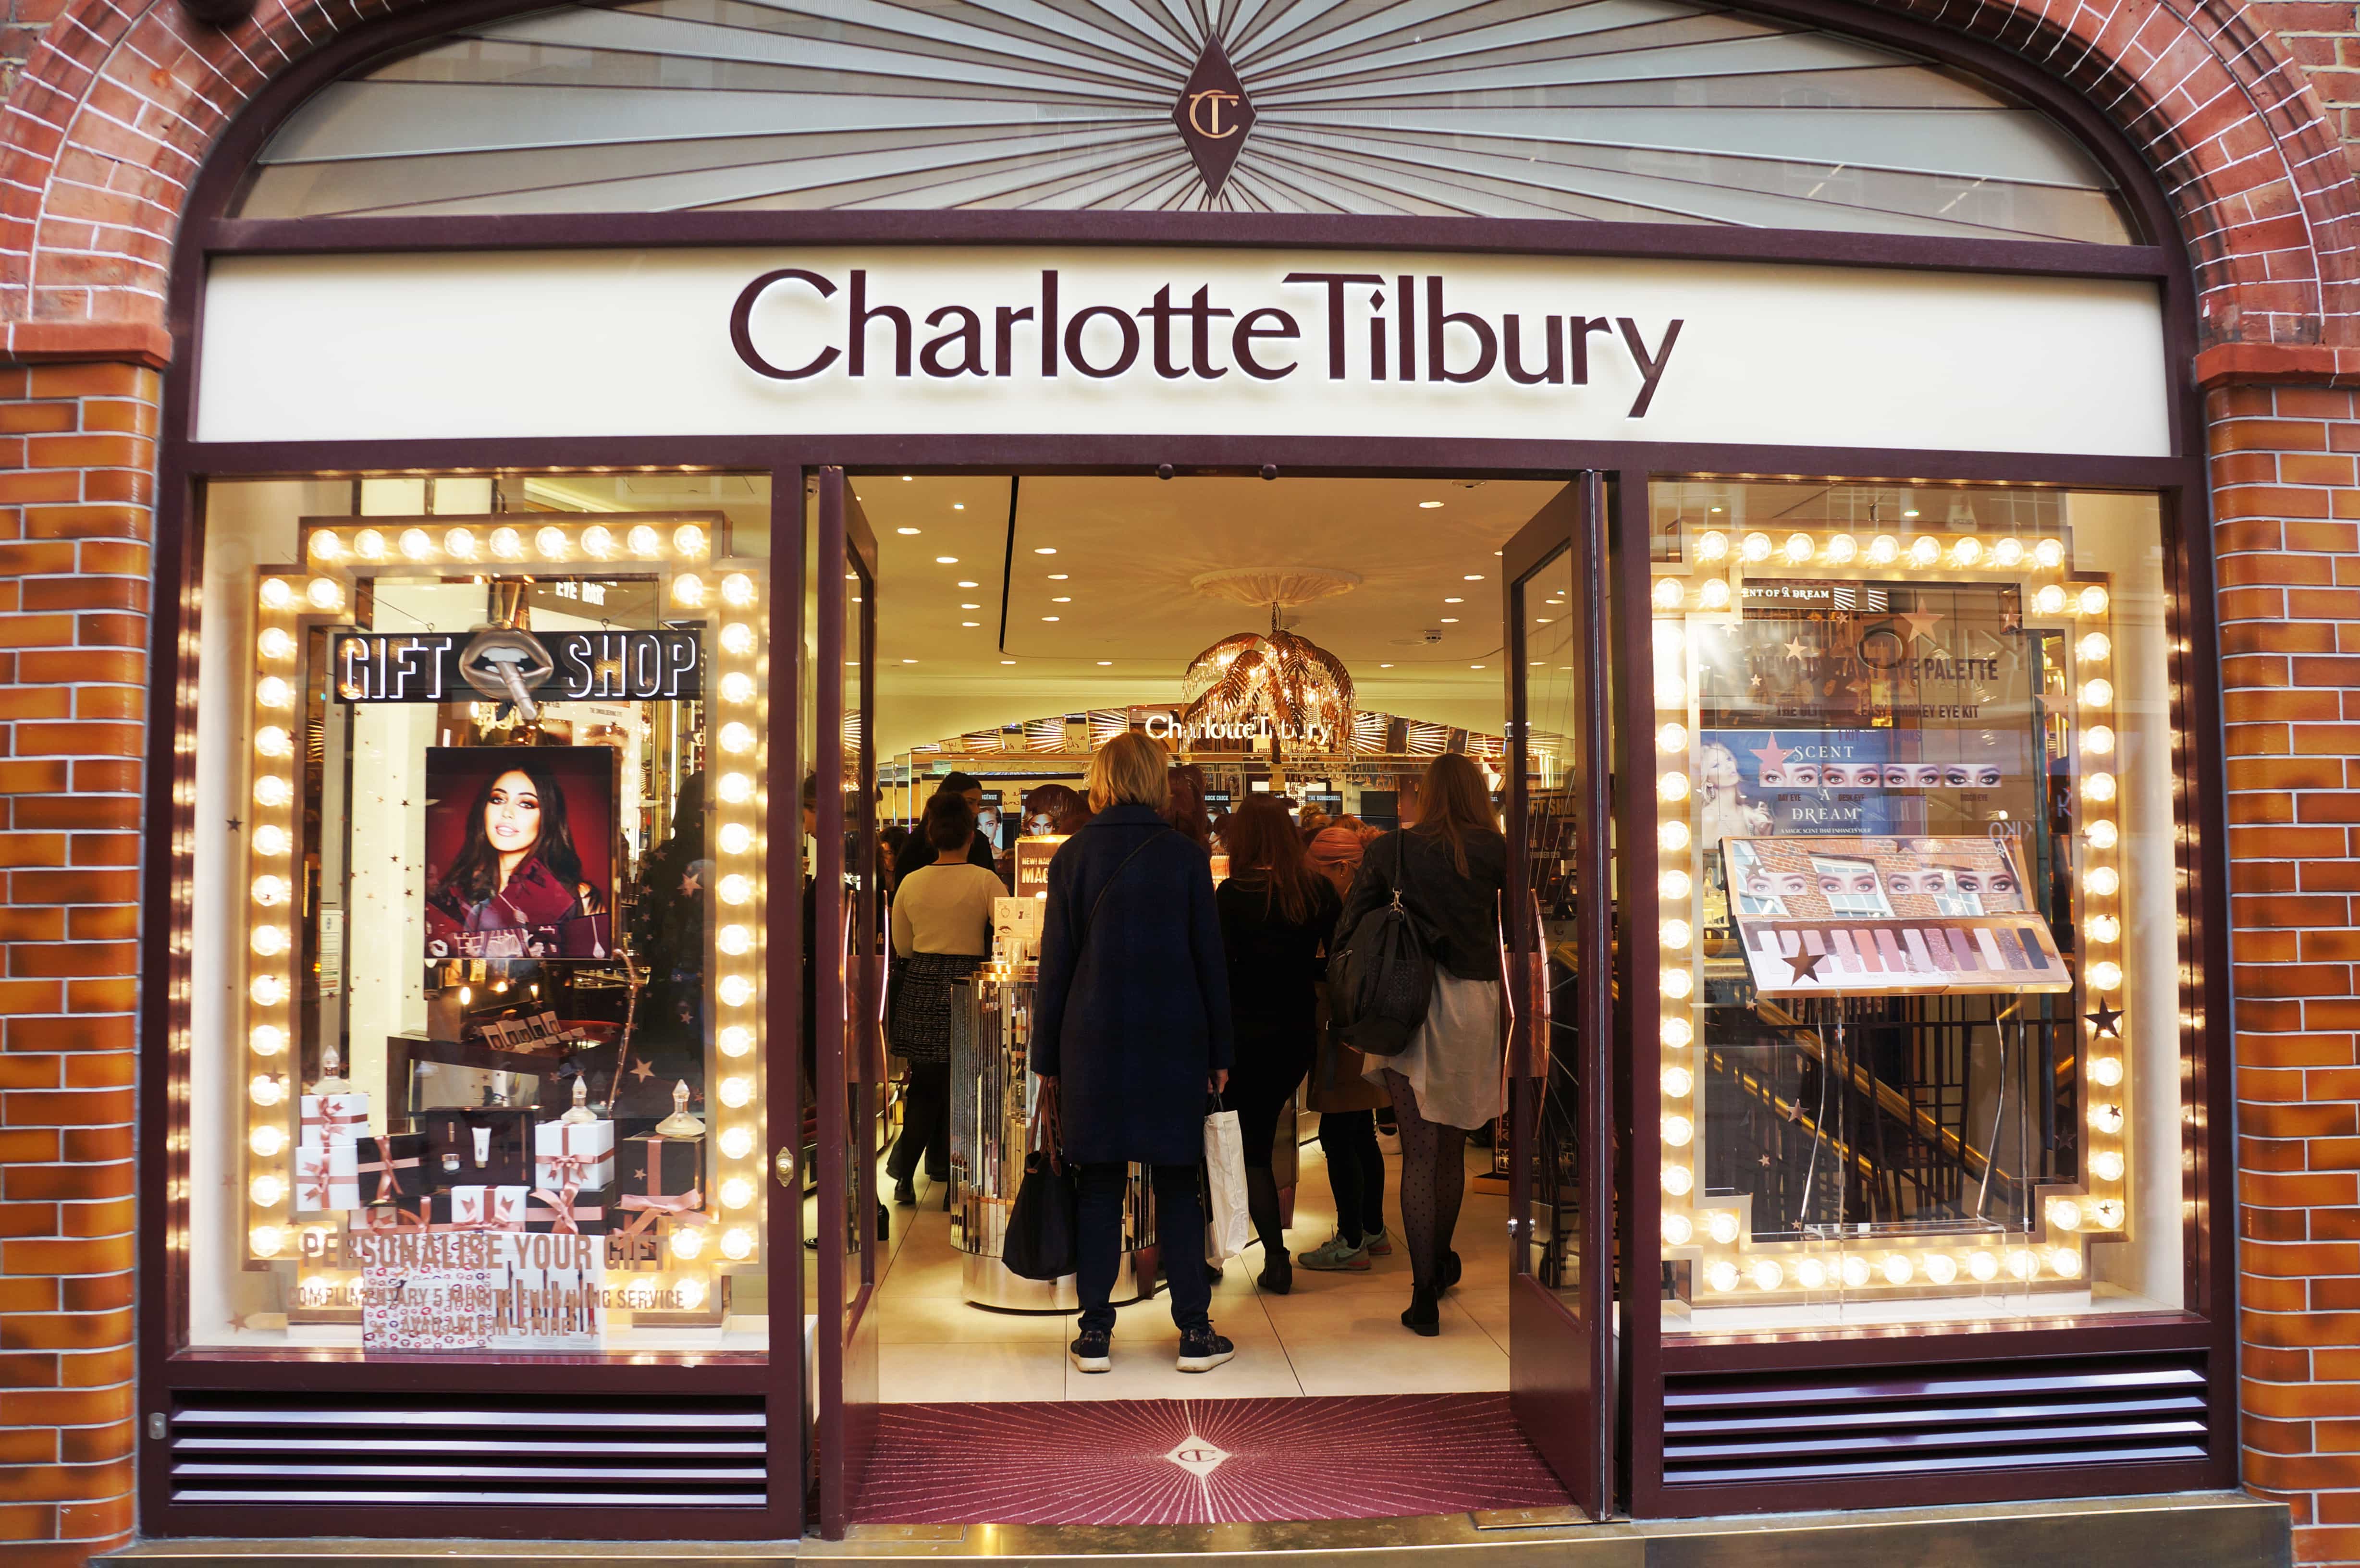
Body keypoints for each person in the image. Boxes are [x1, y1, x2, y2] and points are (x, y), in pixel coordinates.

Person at [1032, 731, 1237, 1375]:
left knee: (1097, 1185)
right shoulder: (1184, 857)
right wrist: (1220, 1049)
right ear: (1155, 780)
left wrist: (1046, 1059)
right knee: (1179, 1184)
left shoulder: (1071, 858)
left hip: (1090, 1040)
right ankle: (1195, 1332)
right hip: (1175, 1038)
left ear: (1100, 779)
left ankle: (1095, 1333)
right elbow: (1211, 964)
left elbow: (1055, 970)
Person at [1334, 751, 1507, 1335]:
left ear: (1426, 794)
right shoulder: (1495, 850)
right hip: (1472, 1006)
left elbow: (1350, 927)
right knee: (1452, 1147)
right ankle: (1439, 1266)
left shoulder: (1392, 850)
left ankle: (1422, 1293)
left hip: (1403, 1006)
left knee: (1418, 1152)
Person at [1214, 795, 1341, 1295]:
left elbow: (1220, 973)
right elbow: (1336, 960)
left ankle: (1269, 1254)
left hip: (1242, 1034)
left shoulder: (1233, 894)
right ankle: (1270, 1254)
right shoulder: (1315, 890)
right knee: (1262, 1141)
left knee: (1247, 1149)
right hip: (1295, 1032)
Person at [886, 794, 1002, 1208]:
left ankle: (903, 1175)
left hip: (922, 983)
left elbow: (902, 944)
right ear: (971, 837)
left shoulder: (911, 882)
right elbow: (1008, 931)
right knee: (967, 1089)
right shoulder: (986, 881)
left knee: (925, 1087)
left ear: (932, 837)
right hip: (967, 985)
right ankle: (959, 1181)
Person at [1298, 818, 1394, 1273]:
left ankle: (1352, 1239)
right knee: (1360, 1133)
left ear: (1339, 869)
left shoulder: (1346, 911)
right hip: (1369, 1030)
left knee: (1339, 1135)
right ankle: (1372, 1231)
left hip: (1344, 1030)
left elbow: (1338, 972)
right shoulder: (1375, 902)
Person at [427, 760, 611, 960]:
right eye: (498, 800)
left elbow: (589, 975)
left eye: (526, 804)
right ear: (484, 810)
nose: (507, 813)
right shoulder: (455, 894)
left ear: (547, 817)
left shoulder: (581, 898)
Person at [892, 771, 999, 884]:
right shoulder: (916, 843)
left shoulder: (980, 841)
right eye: (969, 803)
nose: (976, 811)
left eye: (978, 804)